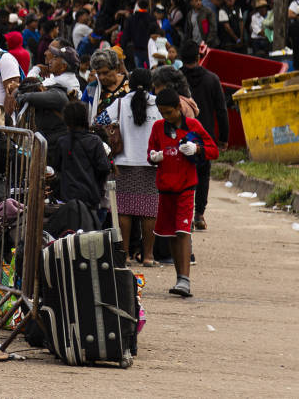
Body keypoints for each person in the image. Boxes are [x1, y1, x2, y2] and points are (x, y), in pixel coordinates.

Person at [149, 88, 219, 298]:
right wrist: (154, 157)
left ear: (179, 108)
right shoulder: (158, 127)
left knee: (183, 231)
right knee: (171, 233)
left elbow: (213, 150)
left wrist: (197, 150)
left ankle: (185, 280)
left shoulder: (194, 126)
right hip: (165, 187)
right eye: (162, 112)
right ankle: (179, 277)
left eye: (169, 112)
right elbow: (150, 151)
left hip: (186, 187)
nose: (166, 116)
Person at [97, 69, 161, 266]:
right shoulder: (158, 103)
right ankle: (148, 256)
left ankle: (123, 255)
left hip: (123, 164)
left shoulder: (119, 103)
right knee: (149, 210)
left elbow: (99, 122)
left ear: (130, 84)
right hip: (152, 163)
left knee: (124, 211)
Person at [178, 41, 228, 231]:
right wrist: (223, 138)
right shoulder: (212, 79)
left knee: (180, 174)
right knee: (203, 175)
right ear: (199, 58)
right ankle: (199, 214)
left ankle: (183, 215)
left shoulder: (176, 78)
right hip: (204, 136)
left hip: (179, 134)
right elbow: (221, 111)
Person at [52, 100, 110, 210]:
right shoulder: (95, 141)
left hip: (67, 197)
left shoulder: (63, 142)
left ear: (67, 120)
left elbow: (57, 169)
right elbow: (104, 168)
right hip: (90, 196)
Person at [83, 48, 129, 124]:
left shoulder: (130, 84)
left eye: (105, 73)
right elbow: (83, 113)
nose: (101, 77)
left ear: (117, 68)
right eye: (98, 73)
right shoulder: (92, 89)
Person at [122, 0, 157, 69]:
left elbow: (125, 35)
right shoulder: (152, 18)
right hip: (149, 49)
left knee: (140, 71)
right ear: (148, 5)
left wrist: (123, 47)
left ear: (138, 4)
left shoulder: (131, 19)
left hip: (137, 49)